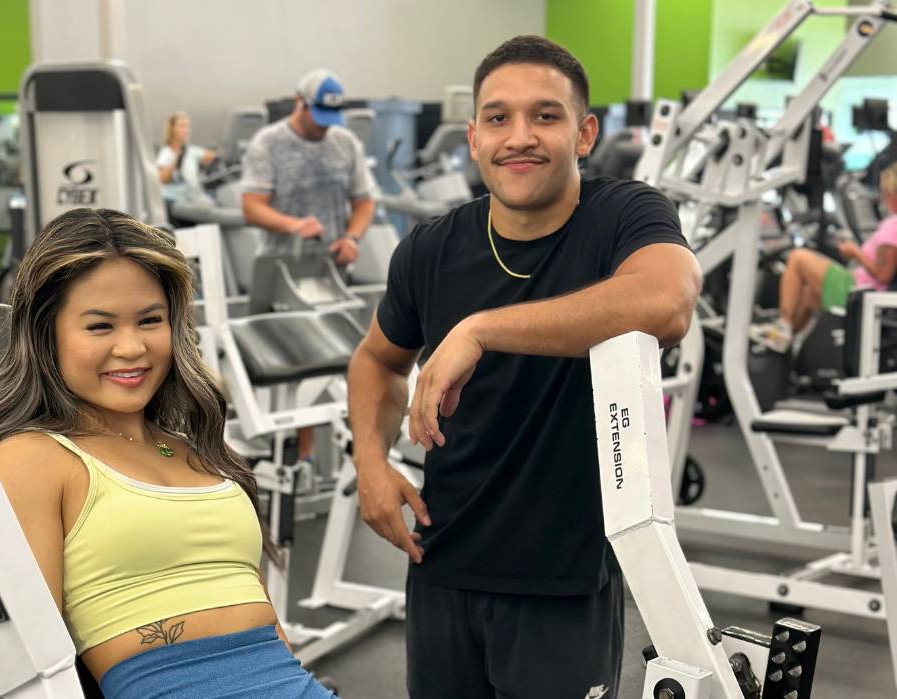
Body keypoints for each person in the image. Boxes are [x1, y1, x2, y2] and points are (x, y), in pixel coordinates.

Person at [347, 35, 700, 699]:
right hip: (442, 560)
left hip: (561, 578)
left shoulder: (623, 214)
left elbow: (667, 301)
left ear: (584, 132)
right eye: (498, 118)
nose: (520, 137)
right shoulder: (431, 246)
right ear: (475, 136)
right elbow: (376, 359)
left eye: (546, 115)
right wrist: (370, 461)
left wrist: (480, 329)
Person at [0, 209, 334, 698]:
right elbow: (25, 675)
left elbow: (270, 632)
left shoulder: (197, 451)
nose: (132, 347)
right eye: (100, 327)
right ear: (45, 334)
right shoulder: (35, 458)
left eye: (150, 320)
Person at [241, 68, 375, 462]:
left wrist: (352, 237)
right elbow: (250, 207)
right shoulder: (268, 144)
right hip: (279, 268)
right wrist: (293, 225)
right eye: (317, 118)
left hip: (328, 269)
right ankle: (292, 458)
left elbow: (365, 202)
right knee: (290, 365)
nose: (323, 129)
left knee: (336, 360)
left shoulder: (344, 143)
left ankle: (331, 458)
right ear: (300, 102)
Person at [751, 161, 897, 353]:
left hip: (856, 290)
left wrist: (856, 253)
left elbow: (883, 275)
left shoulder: (893, 226)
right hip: (859, 286)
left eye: (886, 193)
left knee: (797, 257)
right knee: (809, 294)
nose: (883, 198)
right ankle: (787, 346)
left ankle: (783, 326)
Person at [156, 111, 218, 201]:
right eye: (182, 126)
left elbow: (210, 156)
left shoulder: (191, 150)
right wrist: (176, 160)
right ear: (172, 129)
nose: (186, 130)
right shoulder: (166, 152)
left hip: (194, 195)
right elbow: (162, 179)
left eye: (187, 126)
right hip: (178, 198)